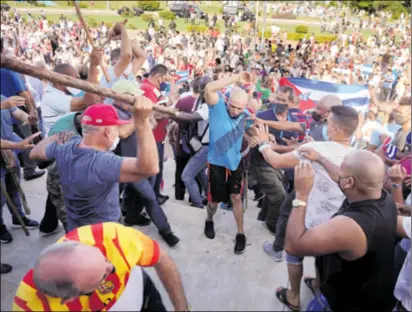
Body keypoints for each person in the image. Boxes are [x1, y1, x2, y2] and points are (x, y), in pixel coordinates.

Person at [252, 105, 359, 308]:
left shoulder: (318, 149)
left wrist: (263, 144)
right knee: (323, 256)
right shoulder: (357, 157)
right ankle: (317, 284)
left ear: (335, 128)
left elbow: (275, 161)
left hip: (309, 221)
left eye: (328, 123)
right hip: (337, 225)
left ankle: (293, 296)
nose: (325, 126)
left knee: (293, 252)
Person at [286, 150, 398, 312]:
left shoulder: (351, 226)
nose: (339, 175)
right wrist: (321, 158)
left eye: (342, 173)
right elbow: (342, 178)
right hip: (373, 289)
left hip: (346, 301)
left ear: (350, 182)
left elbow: (293, 245)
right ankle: (317, 284)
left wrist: (301, 195)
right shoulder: (383, 198)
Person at [29, 98, 159, 232]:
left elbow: (34, 153)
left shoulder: (65, 146)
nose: (117, 134)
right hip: (102, 235)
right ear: (108, 132)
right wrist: (142, 123)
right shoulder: (104, 162)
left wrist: (55, 137)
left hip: (76, 230)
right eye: (116, 129)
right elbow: (149, 168)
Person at [12, 222, 190, 311]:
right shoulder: (29, 306)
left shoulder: (109, 237)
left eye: (103, 257)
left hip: (140, 294)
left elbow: (162, 259)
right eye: (102, 277)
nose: (112, 267)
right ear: (69, 299)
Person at [111, 80, 179, 247]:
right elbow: (123, 133)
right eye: (133, 97)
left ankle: (131, 217)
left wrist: (149, 117)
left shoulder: (132, 112)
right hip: (128, 166)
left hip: (143, 160)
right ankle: (166, 230)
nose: (136, 100)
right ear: (123, 97)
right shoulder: (112, 112)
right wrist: (139, 117)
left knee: (137, 194)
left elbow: (152, 125)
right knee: (149, 196)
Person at [203, 72, 251, 254]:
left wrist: (255, 137)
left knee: (236, 197)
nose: (235, 111)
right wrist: (234, 79)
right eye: (233, 106)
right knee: (214, 201)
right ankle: (209, 220)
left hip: (236, 163)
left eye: (240, 108)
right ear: (227, 100)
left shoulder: (245, 114)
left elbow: (248, 130)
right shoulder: (217, 106)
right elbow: (209, 88)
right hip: (216, 163)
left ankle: (240, 233)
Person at [1, 94, 41, 244]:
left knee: (14, 186)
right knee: (1, 196)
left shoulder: (2, 97)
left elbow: (17, 113)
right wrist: (9, 148)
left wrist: (28, 118)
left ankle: (18, 217)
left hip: (10, 145)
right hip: (6, 147)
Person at [140, 64, 174, 205]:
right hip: (152, 137)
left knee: (158, 168)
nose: (166, 81)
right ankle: (152, 199)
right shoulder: (147, 89)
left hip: (158, 136)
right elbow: (147, 112)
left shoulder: (154, 89)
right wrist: (164, 112)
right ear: (157, 76)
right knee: (153, 170)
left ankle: (155, 195)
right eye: (165, 78)